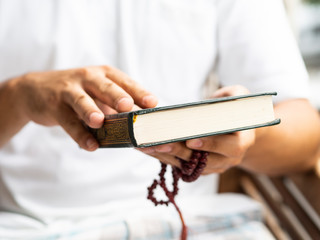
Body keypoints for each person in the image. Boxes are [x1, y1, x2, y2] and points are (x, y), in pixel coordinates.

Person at [0, 0, 319, 239]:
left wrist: (244, 141)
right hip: (25, 225)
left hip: (188, 222)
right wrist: (16, 97)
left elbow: (305, 131)